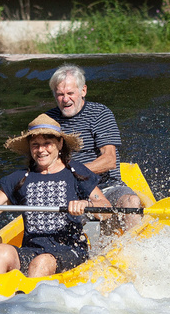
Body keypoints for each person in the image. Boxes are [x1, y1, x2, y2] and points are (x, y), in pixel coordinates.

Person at [0, 114, 112, 278]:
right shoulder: (20, 179)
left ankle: (26, 302)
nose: (41, 150)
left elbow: (106, 210)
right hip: (31, 251)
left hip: (70, 251)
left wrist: (86, 205)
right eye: (35, 145)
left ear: (59, 144)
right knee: (1, 251)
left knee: (42, 262)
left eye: (47, 144)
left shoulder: (76, 172)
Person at [45, 63, 142, 231]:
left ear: (83, 91)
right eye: (60, 94)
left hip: (107, 186)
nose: (65, 99)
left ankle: (135, 251)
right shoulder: (47, 120)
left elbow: (110, 160)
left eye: (70, 93)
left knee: (131, 203)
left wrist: (72, 172)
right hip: (68, 191)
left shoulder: (100, 113)